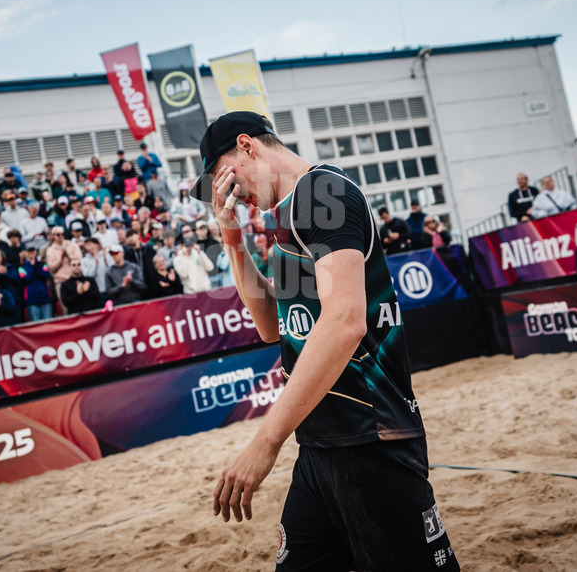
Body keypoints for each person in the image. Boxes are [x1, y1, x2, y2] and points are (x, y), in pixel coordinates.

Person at [191, 111, 457, 570]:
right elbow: (273, 325)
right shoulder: (290, 212)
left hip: (371, 439)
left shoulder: (323, 193)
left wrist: (265, 441)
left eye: (224, 176)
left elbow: (344, 321)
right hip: (320, 444)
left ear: (248, 147)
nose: (231, 192)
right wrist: (231, 238)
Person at [17, 246, 54, 321]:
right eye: (29, 251)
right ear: (26, 253)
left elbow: (45, 276)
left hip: (45, 297)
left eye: (33, 251)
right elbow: (26, 280)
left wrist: (36, 265)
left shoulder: (43, 264)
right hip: (31, 299)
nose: (31, 253)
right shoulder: (22, 267)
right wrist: (34, 266)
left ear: (36, 252)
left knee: (48, 322)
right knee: (36, 323)